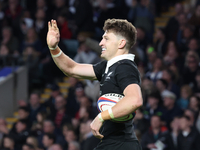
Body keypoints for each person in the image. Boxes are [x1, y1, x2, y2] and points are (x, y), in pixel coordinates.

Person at [47, 18, 143, 150]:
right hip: (111, 143)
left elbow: (135, 99)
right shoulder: (107, 67)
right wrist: (54, 48)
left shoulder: (124, 67)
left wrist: (101, 117)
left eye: (106, 39)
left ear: (121, 43)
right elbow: (72, 69)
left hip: (121, 144)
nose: (100, 43)